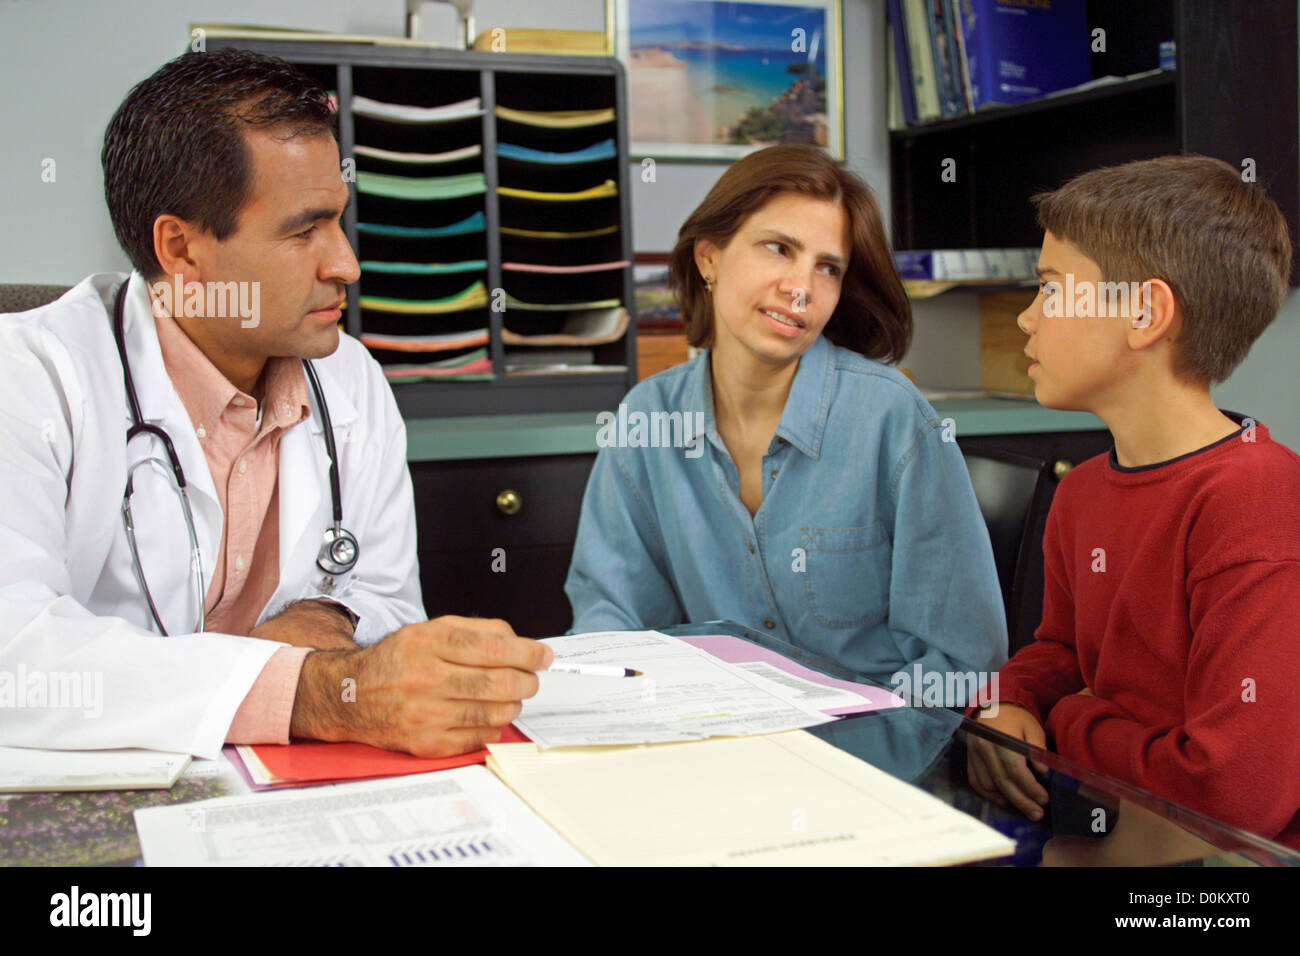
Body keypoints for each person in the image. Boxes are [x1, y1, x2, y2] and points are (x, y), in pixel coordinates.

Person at [0, 49, 549, 760]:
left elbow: (387, 604)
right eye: (303, 231)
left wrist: (324, 614)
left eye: (339, 222)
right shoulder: (30, 377)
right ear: (181, 249)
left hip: (296, 783)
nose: (346, 263)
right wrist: (304, 689)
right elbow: (18, 661)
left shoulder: (348, 378)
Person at [565, 145, 1006, 696]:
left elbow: (957, 660)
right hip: (714, 744)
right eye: (779, 249)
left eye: (828, 268)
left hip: (876, 752)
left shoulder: (891, 419)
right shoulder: (647, 419)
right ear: (710, 257)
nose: (801, 289)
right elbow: (612, 624)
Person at [965, 155, 1300, 849]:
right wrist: (1012, 700)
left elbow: (1232, 793)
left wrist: (1071, 723)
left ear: (1147, 314)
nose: (1026, 319)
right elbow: (1060, 652)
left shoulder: (1257, 500)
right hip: (1118, 834)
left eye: (1051, 290)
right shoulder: (1085, 488)